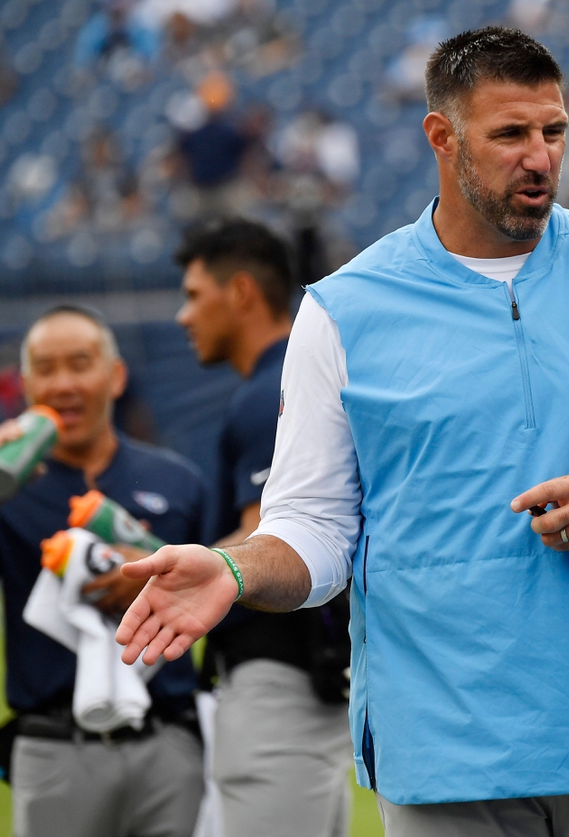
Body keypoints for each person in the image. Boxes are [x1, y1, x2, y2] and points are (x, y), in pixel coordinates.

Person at [119, 26, 569, 837]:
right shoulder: (343, 309)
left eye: (553, 132)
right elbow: (313, 528)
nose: (540, 157)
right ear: (441, 137)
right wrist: (233, 570)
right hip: (442, 760)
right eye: (511, 135)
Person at [0, 306, 205, 837]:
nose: (63, 382)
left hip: (167, 744)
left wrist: (154, 572)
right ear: (25, 384)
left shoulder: (176, 480)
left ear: (115, 376)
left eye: (80, 363)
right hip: (55, 748)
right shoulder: (5, 489)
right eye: (46, 367)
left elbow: (227, 597)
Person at [173, 219, 354, 837]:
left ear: (242, 292)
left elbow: (268, 538)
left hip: (280, 681)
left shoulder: (268, 392)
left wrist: (150, 569)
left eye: (195, 295)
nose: (182, 315)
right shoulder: (292, 375)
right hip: (317, 676)